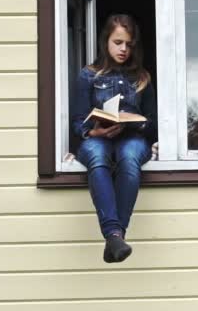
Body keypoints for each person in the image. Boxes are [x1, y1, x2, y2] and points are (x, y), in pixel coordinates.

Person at [72, 14, 157, 263]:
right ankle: (115, 236)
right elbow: (77, 121)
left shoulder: (142, 78)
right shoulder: (88, 76)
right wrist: (93, 131)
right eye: (118, 42)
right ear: (105, 42)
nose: (123, 49)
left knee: (129, 157)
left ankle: (114, 236)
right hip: (98, 137)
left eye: (129, 44)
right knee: (97, 156)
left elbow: (153, 124)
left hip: (132, 138)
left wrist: (135, 121)